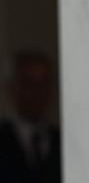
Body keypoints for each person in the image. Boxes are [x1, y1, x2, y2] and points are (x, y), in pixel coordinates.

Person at [0, 51, 60, 183]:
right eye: (28, 83)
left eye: (43, 83)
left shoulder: (61, 141)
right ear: (12, 88)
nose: (37, 92)